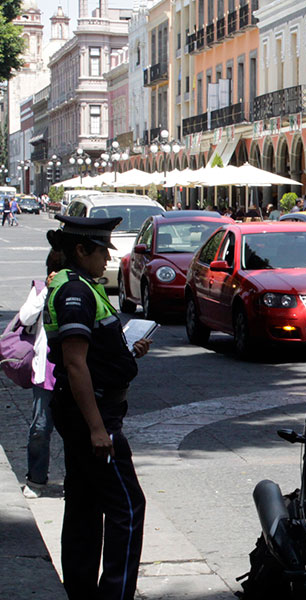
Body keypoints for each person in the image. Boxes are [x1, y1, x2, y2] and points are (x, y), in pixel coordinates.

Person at [44, 215, 151, 600]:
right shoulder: (76, 294)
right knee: (128, 507)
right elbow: (75, 364)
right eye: (101, 250)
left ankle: (80, 590)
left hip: (87, 414)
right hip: (94, 416)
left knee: (85, 505)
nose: (107, 258)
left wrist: (124, 350)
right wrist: (96, 429)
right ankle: (115, 594)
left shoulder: (80, 287)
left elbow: (91, 351)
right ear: (80, 250)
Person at [20, 244, 65, 497]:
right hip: (44, 372)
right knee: (40, 428)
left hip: (71, 371)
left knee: (74, 432)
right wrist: (46, 290)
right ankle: (36, 479)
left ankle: (75, 481)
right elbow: (25, 318)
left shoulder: (78, 290)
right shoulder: (40, 290)